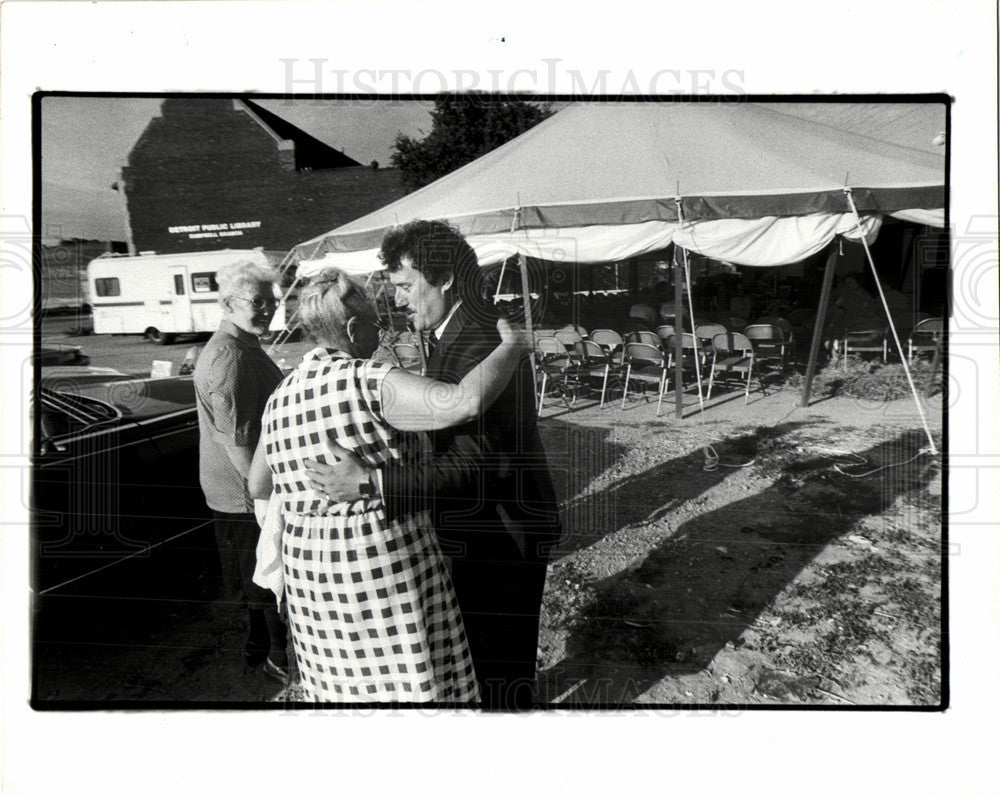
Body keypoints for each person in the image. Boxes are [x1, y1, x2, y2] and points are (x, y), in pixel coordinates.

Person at [305, 220, 563, 710]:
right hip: (493, 527)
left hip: (501, 535)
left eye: (405, 286)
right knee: (494, 661)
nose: (399, 301)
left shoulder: (480, 341)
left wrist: (371, 484)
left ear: (444, 277)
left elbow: (475, 462)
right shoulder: (462, 332)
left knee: (499, 672)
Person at [247, 267, 531, 704]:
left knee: (345, 686)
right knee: (408, 680)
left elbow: (258, 483)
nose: (380, 338)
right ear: (352, 328)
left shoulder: (280, 396)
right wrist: (512, 348)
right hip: (376, 558)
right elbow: (464, 403)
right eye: (376, 328)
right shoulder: (367, 379)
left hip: (309, 571)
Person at [192, 259, 289, 682]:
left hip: (244, 485)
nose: (267, 308)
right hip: (241, 489)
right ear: (228, 304)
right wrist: (262, 499)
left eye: (272, 300)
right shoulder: (230, 357)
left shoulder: (245, 344)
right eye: (257, 301)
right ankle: (276, 658)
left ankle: (259, 644)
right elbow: (237, 442)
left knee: (255, 572)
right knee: (263, 575)